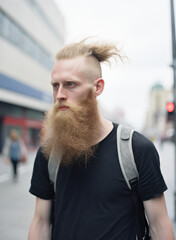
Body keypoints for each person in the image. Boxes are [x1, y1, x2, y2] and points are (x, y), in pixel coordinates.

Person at [28, 38, 175, 240]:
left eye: (70, 84)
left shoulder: (136, 149)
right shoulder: (48, 154)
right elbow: (40, 222)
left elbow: (159, 225)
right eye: (55, 85)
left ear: (97, 87)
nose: (59, 94)